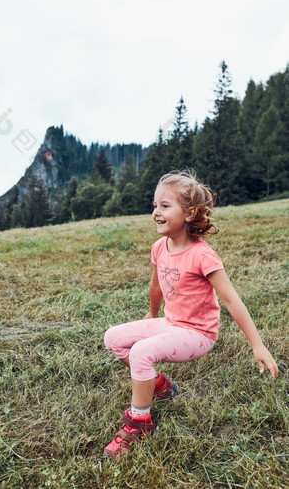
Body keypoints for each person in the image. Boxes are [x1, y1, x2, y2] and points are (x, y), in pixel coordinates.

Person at [103, 170, 279, 459]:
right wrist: (151, 312)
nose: (155, 212)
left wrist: (257, 345)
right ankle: (161, 386)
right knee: (113, 338)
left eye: (165, 206)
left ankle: (139, 423)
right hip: (171, 323)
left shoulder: (202, 255)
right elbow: (156, 284)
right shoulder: (160, 247)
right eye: (154, 205)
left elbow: (232, 301)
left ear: (189, 213)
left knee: (140, 353)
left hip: (198, 334)